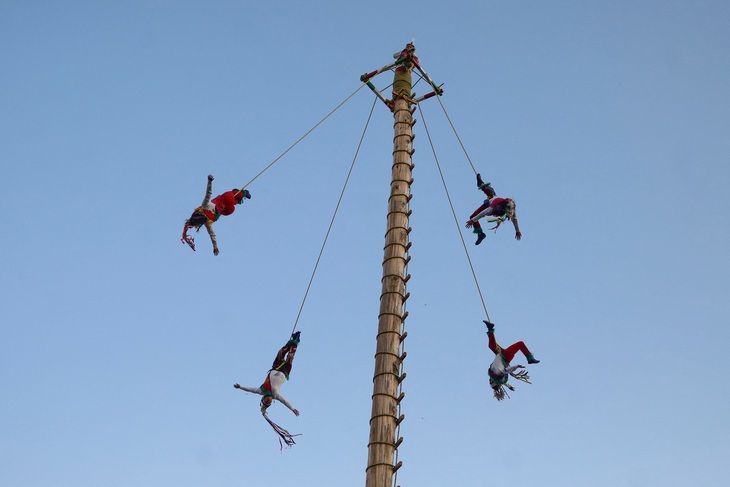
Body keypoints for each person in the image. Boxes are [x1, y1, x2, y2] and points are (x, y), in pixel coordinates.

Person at [233, 332, 301, 417]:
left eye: (266, 401)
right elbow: (285, 401)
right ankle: (296, 341)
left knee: (281, 352)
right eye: (269, 402)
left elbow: (250, 390)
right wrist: (292, 409)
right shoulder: (275, 395)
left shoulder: (261, 390)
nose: (268, 401)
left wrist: (240, 387)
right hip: (284, 371)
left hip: (276, 367)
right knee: (290, 356)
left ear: (263, 398)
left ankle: (291, 342)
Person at [181, 174, 251, 255]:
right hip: (225, 208)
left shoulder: (205, 208)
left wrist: (209, 182)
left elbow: (208, 193)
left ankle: (243, 193)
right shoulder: (207, 220)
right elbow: (212, 234)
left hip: (224, 202)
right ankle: (240, 194)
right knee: (233, 202)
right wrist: (215, 246)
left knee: (234, 197)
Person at [484, 320, 539, 401]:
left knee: (491, 346)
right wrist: (516, 366)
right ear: (495, 383)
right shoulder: (499, 374)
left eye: (490, 382)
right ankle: (530, 358)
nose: (490, 381)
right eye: (491, 383)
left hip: (500, 354)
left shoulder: (493, 375)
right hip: (506, 357)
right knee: (520, 344)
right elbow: (507, 371)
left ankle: (490, 328)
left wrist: (509, 386)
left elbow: (503, 383)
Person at [465, 173, 522, 245]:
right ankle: (480, 234)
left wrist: (517, 230)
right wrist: (517, 231)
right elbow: (514, 219)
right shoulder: (502, 204)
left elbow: (484, 213)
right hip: (493, 199)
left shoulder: (495, 208)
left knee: (473, 217)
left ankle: (480, 234)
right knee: (487, 189)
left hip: (490, 204)